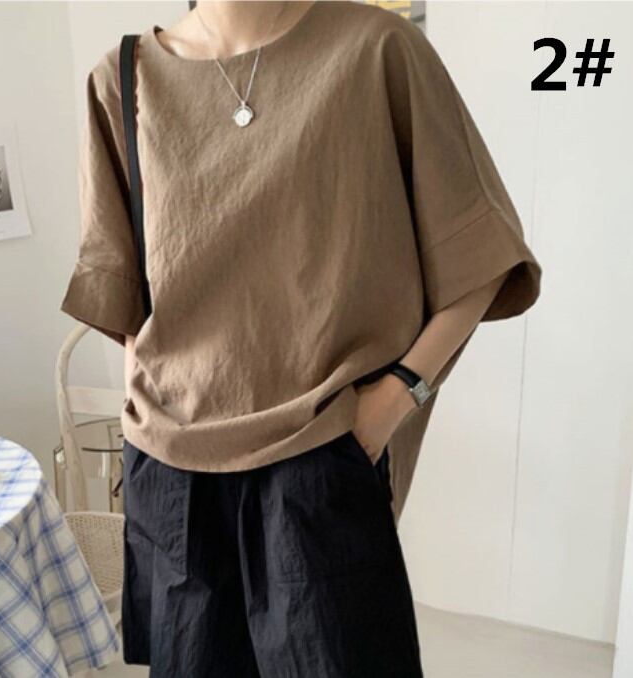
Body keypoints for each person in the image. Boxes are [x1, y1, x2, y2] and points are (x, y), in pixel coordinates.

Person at [59, 1, 542, 676]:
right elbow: (120, 286)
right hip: (172, 471)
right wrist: (146, 400)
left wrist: (395, 398)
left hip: (321, 455)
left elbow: (481, 255)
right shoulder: (122, 77)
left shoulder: (378, 50)